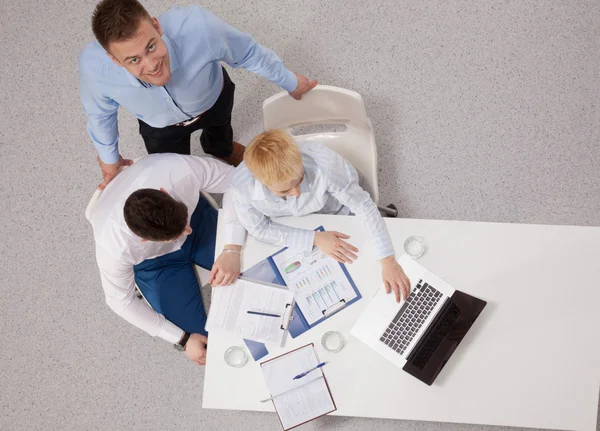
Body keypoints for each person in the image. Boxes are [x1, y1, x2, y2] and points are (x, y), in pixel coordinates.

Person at [79, 0, 317, 190]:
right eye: (134, 60)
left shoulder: (199, 26)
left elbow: (248, 54)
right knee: (175, 169)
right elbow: (100, 115)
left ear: (157, 26)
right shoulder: (96, 69)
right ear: (113, 59)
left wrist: (290, 82)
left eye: (151, 46)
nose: (152, 65)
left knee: (221, 131)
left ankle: (221, 149)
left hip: (214, 100)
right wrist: (110, 161)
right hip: (161, 128)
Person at [87, 153, 246, 365]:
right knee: (206, 345)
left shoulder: (176, 168)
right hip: (154, 264)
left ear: (164, 192)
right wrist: (183, 339)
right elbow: (120, 302)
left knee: (258, 267)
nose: (186, 232)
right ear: (143, 240)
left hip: (200, 222)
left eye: (183, 221)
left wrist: (232, 249)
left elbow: (237, 181)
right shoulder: (114, 246)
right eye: (179, 233)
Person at [231, 129, 411, 302]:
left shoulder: (326, 166)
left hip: (338, 210)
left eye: (300, 180)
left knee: (364, 272)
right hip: (296, 225)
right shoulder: (242, 186)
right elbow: (258, 228)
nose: (296, 193)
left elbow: (363, 206)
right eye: (285, 190)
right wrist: (313, 238)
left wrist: (388, 260)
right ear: (259, 179)